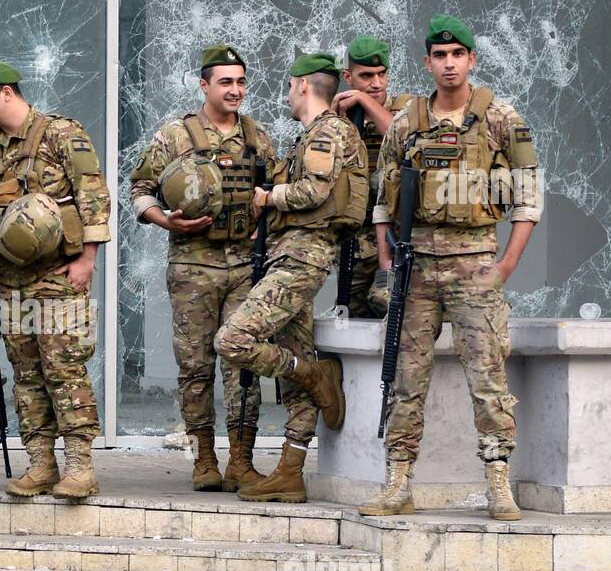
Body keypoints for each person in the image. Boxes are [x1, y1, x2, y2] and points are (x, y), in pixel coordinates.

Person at [360, 15, 540, 521]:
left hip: (474, 265)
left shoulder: (501, 118)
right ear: (427, 63)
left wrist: (504, 266)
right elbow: (382, 194)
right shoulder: (407, 121)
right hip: (416, 268)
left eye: (456, 54)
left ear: (471, 60)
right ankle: (397, 483)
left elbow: (528, 201)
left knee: (487, 380)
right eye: (439, 56)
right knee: (405, 380)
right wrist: (385, 252)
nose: (448, 64)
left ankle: (498, 483)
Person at [215, 53, 368, 502]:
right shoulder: (319, 134)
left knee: (234, 341)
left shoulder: (327, 131)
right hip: (295, 254)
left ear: (303, 85)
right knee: (293, 376)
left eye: (288, 86)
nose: (285, 94)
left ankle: (316, 373)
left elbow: (315, 191)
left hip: (302, 256)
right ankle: (290, 470)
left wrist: (266, 197)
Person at [130, 44, 277, 491]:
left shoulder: (257, 137)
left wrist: (263, 221)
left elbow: (276, 191)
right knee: (194, 366)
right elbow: (140, 189)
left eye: (240, 82)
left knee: (242, 365)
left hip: (243, 268)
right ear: (204, 85)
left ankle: (241, 460)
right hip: (192, 267)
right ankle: (203, 459)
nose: (235, 90)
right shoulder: (175, 136)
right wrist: (165, 218)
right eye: (225, 82)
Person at [0, 61, 110, 499]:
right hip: (11, 282)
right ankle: (41, 463)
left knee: (64, 368)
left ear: (8, 92)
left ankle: (80, 466)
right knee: (27, 373)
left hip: (58, 275)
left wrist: (88, 259)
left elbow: (94, 196)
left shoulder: (61, 134)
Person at [330, 35, 413, 317]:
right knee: (352, 320)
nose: (376, 83)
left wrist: (365, 101)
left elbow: (402, 139)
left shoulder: (407, 109)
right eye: (366, 76)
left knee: (393, 308)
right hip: (353, 243)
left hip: (394, 238)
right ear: (348, 76)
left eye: (382, 74)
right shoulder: (338, 116)